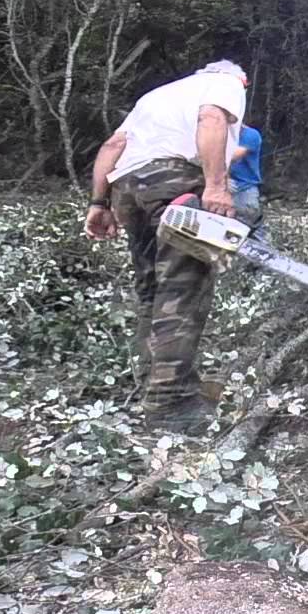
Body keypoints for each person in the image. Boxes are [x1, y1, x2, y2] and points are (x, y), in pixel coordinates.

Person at [83, 59, 248, 435]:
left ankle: (151, 384)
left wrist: (98, 203)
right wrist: (216, 186)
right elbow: (211, 120)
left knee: (151, 291)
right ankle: (170, 405)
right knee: (182, 290)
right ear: (241, 79)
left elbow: (113, 145)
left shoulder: (158, 95)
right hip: (173, 181)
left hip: (127, 185)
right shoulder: (226, 84)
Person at [229, 124, 268, 243]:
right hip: (222, 188)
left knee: (249, 231)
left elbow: (232, 157)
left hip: (244, 189)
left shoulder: (250, 135)